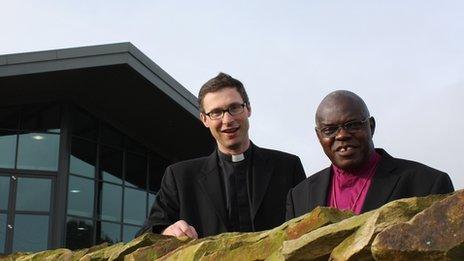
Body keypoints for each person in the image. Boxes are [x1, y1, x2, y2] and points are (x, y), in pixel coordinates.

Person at [138, 72, 306, 238]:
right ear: (204, 119)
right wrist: (166, 231)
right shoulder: (179, 176)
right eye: (216, 112)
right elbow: (146, 233)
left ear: (248, 108)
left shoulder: (288, 167)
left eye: (234, 108)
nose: (227, 120)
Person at [286, 90, 454, 220]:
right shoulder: (299, 197)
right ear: (319, 136)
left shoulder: (427, 184)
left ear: (371, 126)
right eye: (330, 130)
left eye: (352, 125)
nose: (342, 135)